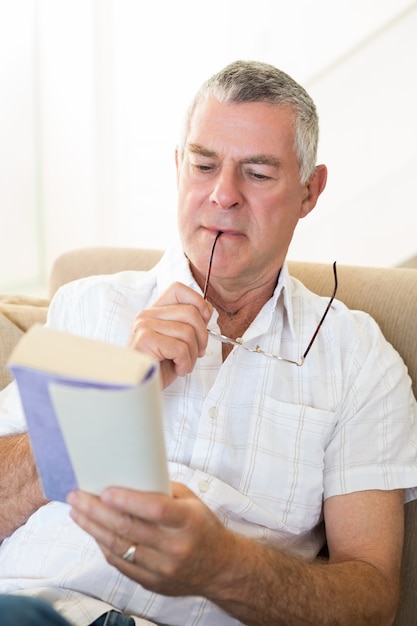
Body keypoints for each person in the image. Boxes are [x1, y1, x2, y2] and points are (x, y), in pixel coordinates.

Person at [0, 60, 416, 626]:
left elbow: (371, 601)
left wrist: (221, 565)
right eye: (203, 165)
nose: (223, 195)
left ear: (309, 191)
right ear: (178, 168)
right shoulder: (89, 305)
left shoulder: (358, 358)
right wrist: (108, 394)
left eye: (258, 174)